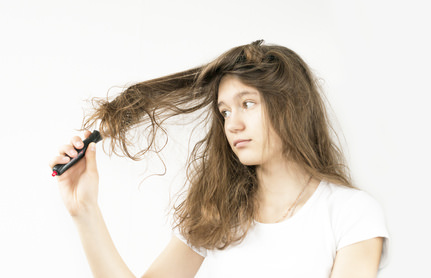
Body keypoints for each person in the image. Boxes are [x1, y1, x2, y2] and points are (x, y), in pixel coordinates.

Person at [49, 40, 389, 277]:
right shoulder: (216, 212)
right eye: (224, 111)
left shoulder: (351, 215)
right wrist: (85, 210)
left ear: (293, 106)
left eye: (248, 104)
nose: (233, 124)